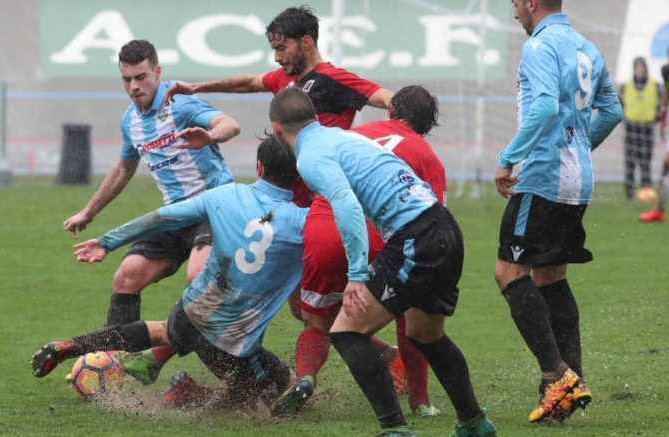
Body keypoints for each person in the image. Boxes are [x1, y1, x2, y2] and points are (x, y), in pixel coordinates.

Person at [163, 5, 432, 412]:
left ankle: (175, 357)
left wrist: (392, 137)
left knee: (290, 299)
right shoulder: (287, 79)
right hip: (294, 208)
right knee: (299, 304)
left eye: (281, 47)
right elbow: (251, 82)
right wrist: (197, 88)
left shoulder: (334, 79)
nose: (276, 57)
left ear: (307, 42)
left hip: (326, 209)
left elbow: (388, 100)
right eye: (272, 49)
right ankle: (381, 356)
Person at [270, 87, 495, 437]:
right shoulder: (338, 137)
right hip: (444, 226)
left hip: (415, 236)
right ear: (314, 117)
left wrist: (358, 274)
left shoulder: (309, 156)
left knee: (346, 332)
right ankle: (475, 423)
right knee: (426, 335)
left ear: (276, 129)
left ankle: (395, 429)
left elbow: (345, 205)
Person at [32, 136, 306, 409]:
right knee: (279, 389)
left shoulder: (225, 194)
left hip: (192, 311)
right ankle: (191, 397)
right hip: (232, 343)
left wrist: (106, 242)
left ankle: (71, 345)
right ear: (299, 175)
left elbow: (161, 217)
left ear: (258, 167)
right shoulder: (302, 221)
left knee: (162, 331)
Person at [60, 40, 240, 385]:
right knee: (127, 275)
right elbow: (124, 168)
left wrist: (209, 135)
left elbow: (230, 124)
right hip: (176, 216)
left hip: (215, 209)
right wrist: (89, 212)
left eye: (141, 77)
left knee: (196, 279)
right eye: (126, 79)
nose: (134, 86)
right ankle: (109, 363)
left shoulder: (181, 104)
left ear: (157, 72)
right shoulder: (131, 121)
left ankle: (214, 362)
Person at [494, 0, 623, 424]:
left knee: (509, 272)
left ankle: (558, 375)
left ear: (531, 3)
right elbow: (612, 111)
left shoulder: (539, 46)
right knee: (551, 276)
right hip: (579, 179)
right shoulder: (587, 46)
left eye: (515, 3)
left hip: (545, 175)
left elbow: (545, 105)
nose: (514, 12)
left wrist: (508, 157)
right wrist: (581, 148)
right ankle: (568, 391)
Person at [640, 43, 669, 222]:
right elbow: (668, 92)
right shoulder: (667, 71)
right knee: (667, 162)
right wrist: (663, 118)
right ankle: (659, 210)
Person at [620, 57, 661, 199]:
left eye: (642, 67)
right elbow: (620, 105)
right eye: (637, 67)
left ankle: (646, 190)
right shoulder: (626, 86)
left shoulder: (655, 85)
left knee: (645, 161)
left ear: (645, 68)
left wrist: (657, 117)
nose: (640, 70)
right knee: (630, 161)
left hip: (647, 127)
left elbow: (660, 105)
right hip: (631, 127)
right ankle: (629, 192)